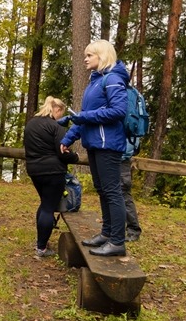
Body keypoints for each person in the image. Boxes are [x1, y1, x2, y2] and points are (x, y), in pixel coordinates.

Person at [60, 39, 129, 257]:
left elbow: (119, 110)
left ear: (102, 56)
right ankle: (107, 234)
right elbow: (84, 118)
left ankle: (117, 241)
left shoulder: (113, 79)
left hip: (108, 144)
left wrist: (84, 116)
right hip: (95, 144)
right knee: (102, 190)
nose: (85, 58)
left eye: (90, 55)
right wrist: (68, 138)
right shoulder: (95, 82)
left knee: (112, 191)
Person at [24, 96, 80, 257]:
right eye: (60, 114)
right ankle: (41, 248)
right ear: (56, 110)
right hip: (53, 172)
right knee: (48, 208)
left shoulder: (31, 124)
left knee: (44, 204)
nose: (60, 118)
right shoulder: (55, 127)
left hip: (34, 170)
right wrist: (74, 157)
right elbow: (62, 152)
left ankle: (41, 241)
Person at [122, 139, 142, 242]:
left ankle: (133, 230)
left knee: (124, 196)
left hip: (121, 158)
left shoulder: (126, 123)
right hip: (121, 157)